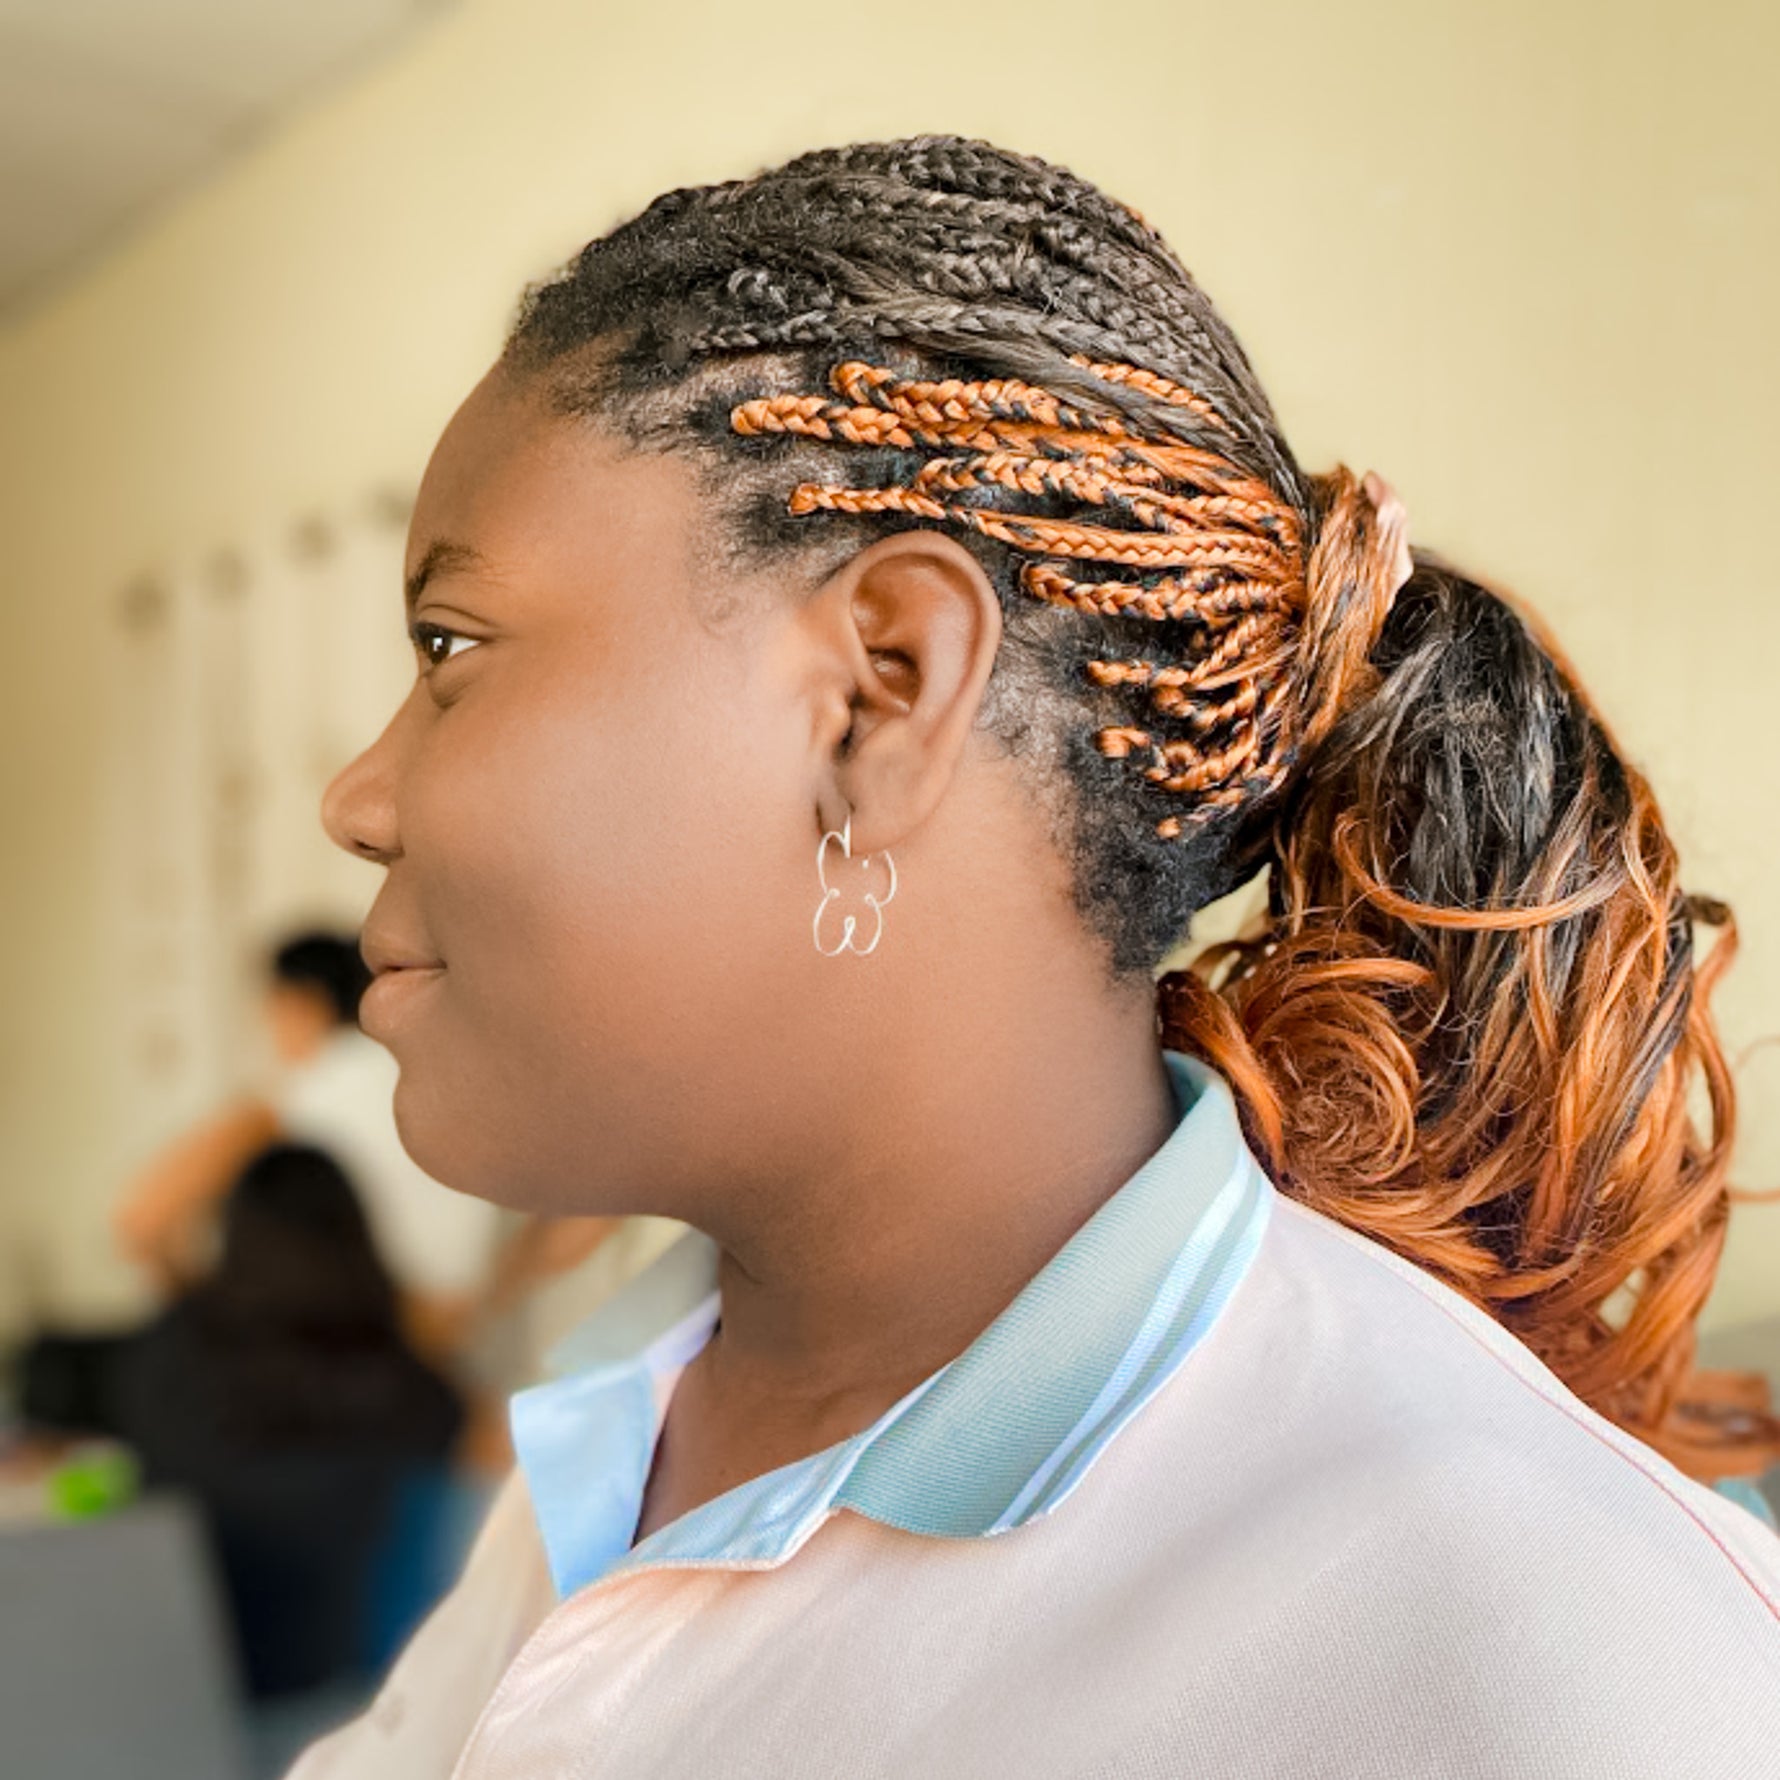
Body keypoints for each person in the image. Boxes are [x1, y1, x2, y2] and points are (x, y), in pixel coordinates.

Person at [292, 139, 1780, 1777]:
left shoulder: (1543, 1658)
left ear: (880, 689)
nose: (359, 799)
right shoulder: (643, 1414)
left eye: (453, 651)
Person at [105, 1143, 465, 1700]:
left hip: (174, 1678)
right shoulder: (402, 1384)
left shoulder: (171, 1351)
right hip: (344, 1690)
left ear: (232, 1233)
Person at [115, 931, 505, 1357]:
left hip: (350, 1352)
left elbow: (141, 1220)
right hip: (449, 1343)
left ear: (301, 1004)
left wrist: (201, 1318)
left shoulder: (304, 1094)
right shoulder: (446, 1080)